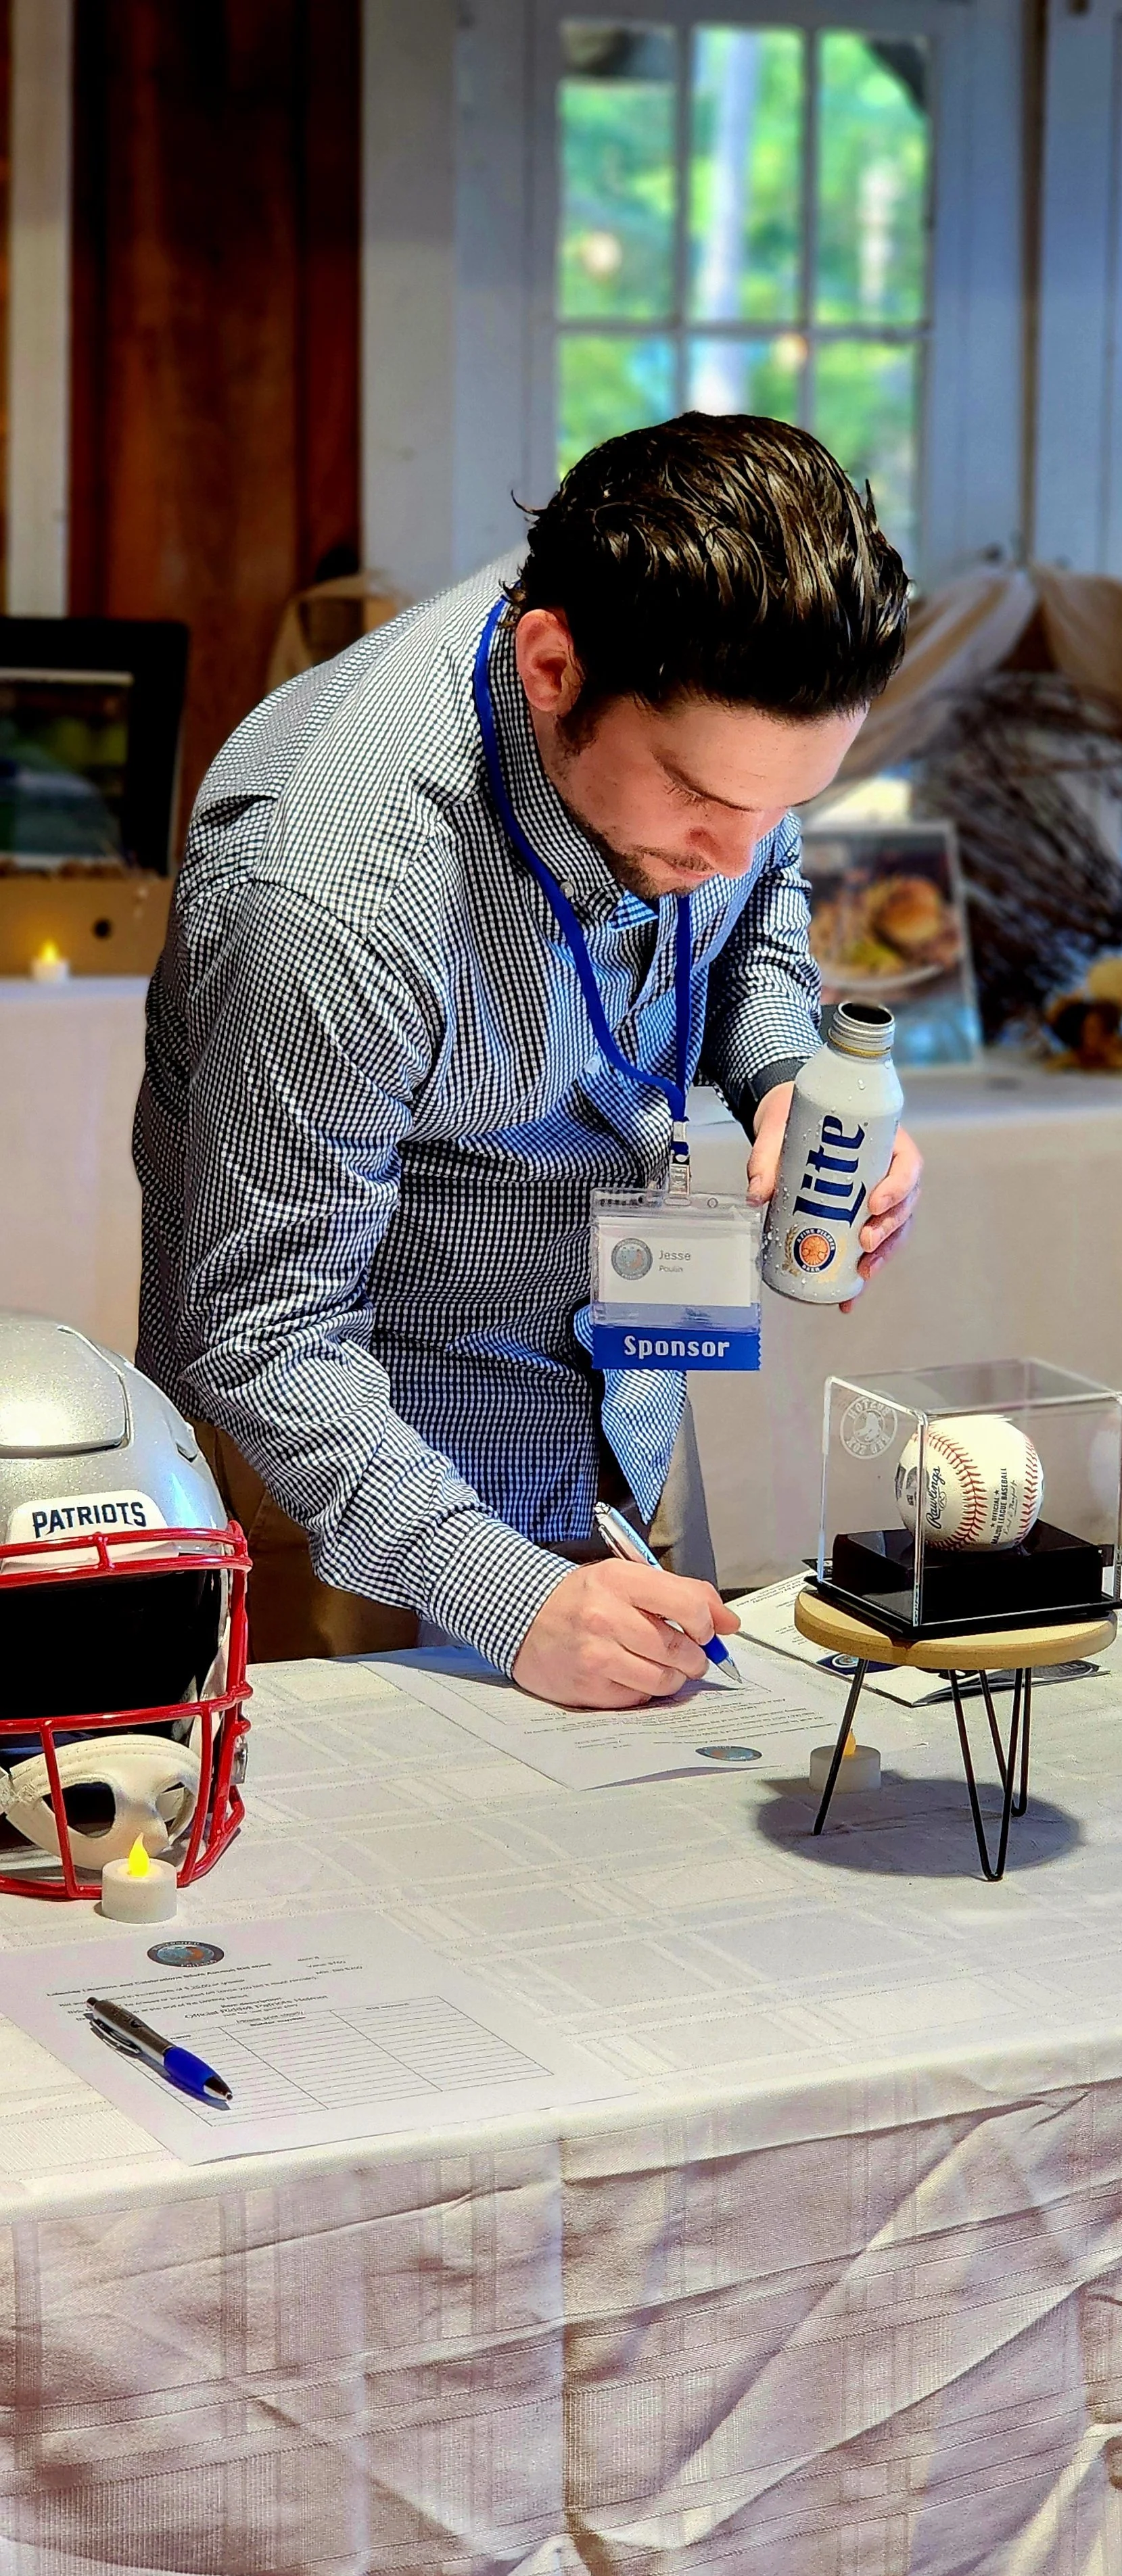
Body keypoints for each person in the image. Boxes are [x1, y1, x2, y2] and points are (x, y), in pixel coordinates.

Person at [134, 412, 922, 1709]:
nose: (739, 851)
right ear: (551, 666)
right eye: (700, 801)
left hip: (625, 1405)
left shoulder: (705, 719)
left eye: (787, 803)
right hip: (378, 1518)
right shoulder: (328, 892)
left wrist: (788, 1080)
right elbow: (258, 1334)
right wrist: (514, 1597)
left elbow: (756, 903)